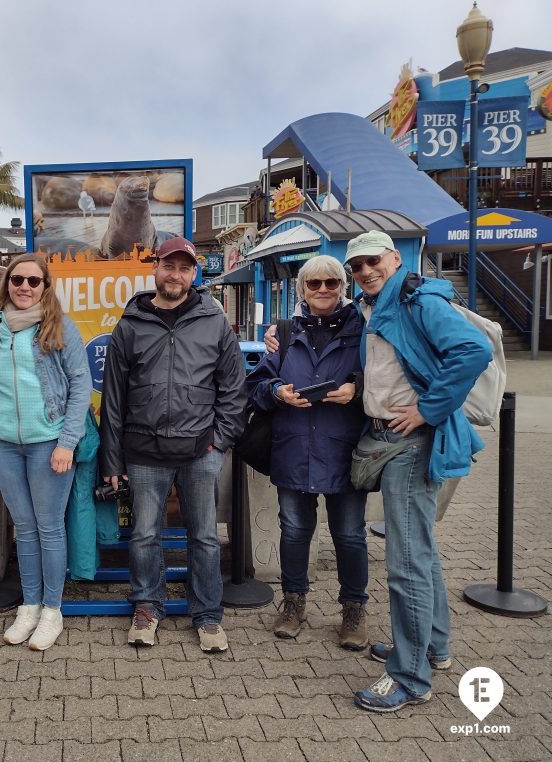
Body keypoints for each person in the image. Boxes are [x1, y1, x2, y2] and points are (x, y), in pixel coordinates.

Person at [340, 231, 490, 712]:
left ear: (393, 257)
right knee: (420, 552)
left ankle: (409, 677)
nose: (364, 271)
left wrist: (428, 408)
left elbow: (472, 350)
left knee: (405, 564)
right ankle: (433, 647)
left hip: (411, 441)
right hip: (394, 436)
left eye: (371, 261)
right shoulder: (381, 302)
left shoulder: (416, 297)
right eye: (355, 265)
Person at [99, 236, 246, 652]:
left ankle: (208, 614)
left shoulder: (213, 321)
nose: (175, 275)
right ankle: (147, 606)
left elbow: (233, 390)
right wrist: (113, 459)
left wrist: (217, 443)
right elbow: (113, 399)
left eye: (184, 268)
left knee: (204, 536)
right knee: (145, 535)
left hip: (200, 451)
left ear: (194, 273)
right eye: (169, 266)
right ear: (155, 269)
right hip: (143, 452)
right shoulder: (129, 324)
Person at [246, 256, 370, 649]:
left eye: (331, 283)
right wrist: (277, 392)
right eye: (313, 284)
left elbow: (389, 376)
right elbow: (257, 385)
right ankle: (293, 604)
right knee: (295, 532)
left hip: (345, 449)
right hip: (294, 448)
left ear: (342, 286)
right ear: (302, 289)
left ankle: (353, 610)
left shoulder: (364, 330)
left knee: (350, 535)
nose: (322, 290)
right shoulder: (283, 331)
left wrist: (357, 389)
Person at [0, 253, 90, 651]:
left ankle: (52, 610)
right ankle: (30, 604)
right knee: (24, 527)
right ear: (7, 285)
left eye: (33, 281)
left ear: (45, 286)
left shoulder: (60, 328)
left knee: (49, 527)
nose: (24, 287)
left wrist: (67, 443)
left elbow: (79, 387)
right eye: (17, 279)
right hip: (5, 444)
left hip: (48, 444)